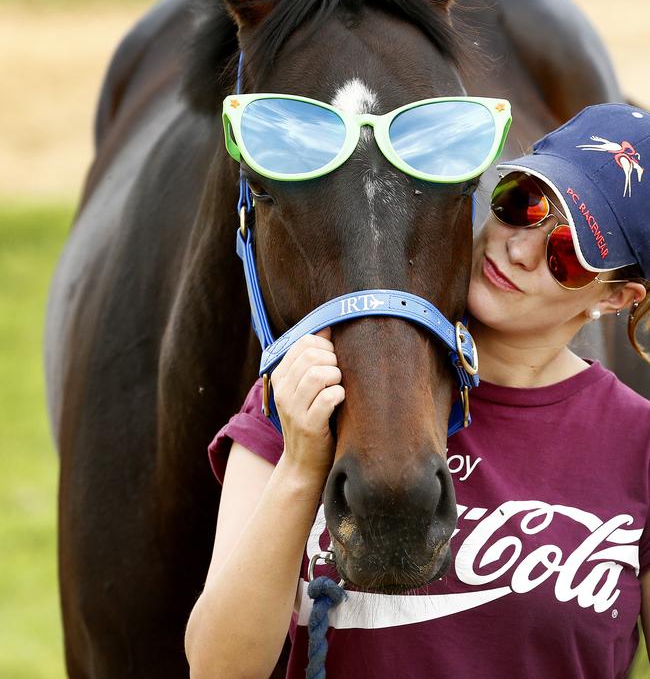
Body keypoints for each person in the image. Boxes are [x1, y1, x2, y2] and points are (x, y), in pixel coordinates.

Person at [185, 103, 650, 679]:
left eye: (567, 255)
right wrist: (302, 466)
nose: (521, 249)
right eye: (521, 205)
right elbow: (219, 668)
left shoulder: (638, 446)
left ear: (614, 298)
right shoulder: (317, 385)